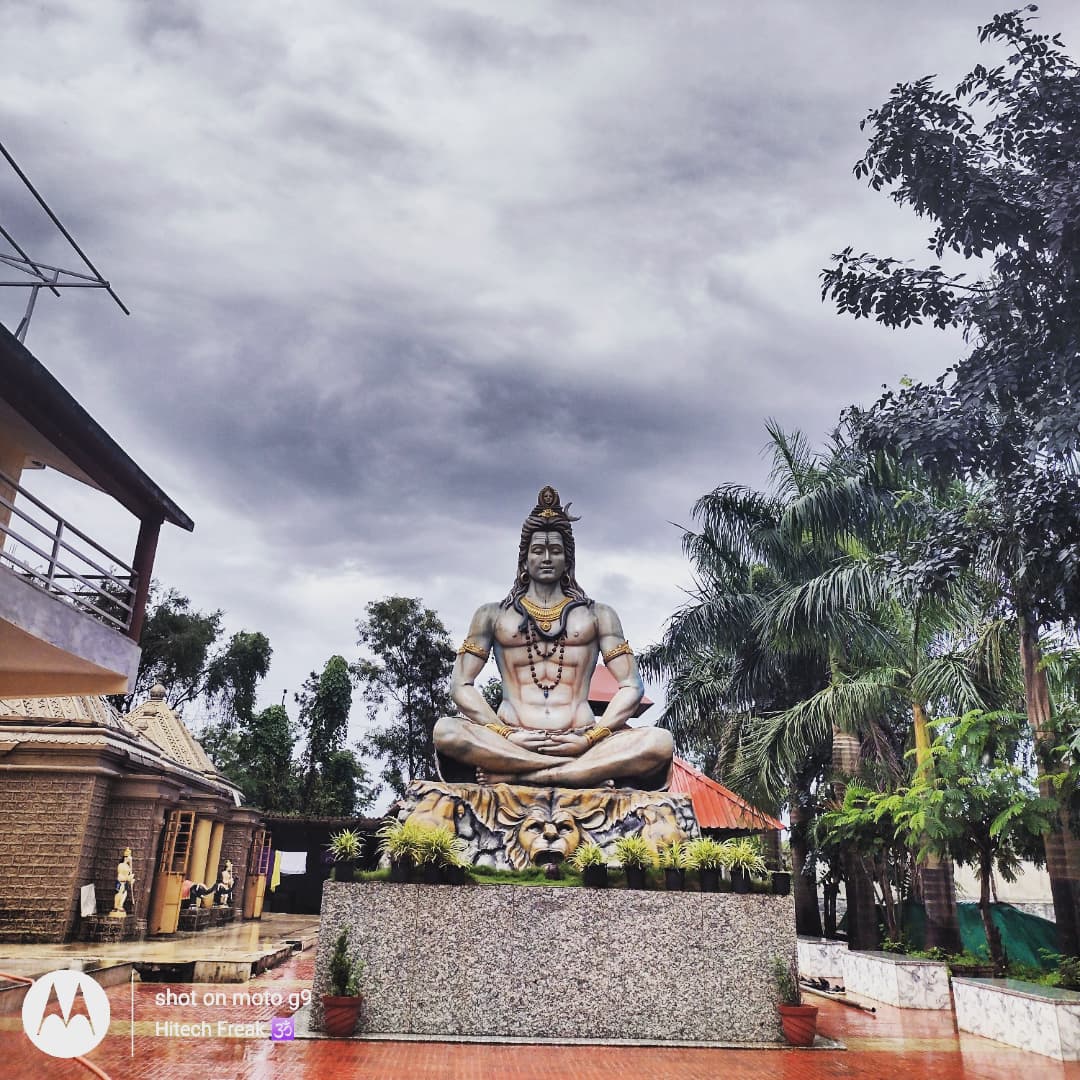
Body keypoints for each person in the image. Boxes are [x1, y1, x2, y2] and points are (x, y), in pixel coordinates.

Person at [434, 486, 673, 788]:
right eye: (538, 550)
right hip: (511, 739)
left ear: (567, 560)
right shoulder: (492, 615)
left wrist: (591, 738)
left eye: (555, 551)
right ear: (524, 559)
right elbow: (460, 685)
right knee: (446, 731)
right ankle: (579, 773)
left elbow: (631, 686)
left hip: (580, 739)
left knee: (660, 742)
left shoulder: (599, 615)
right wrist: (504, 733)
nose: (546, 558)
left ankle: (520, 774)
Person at [110, 848, 135, 917]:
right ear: (125, 858)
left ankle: (120, 905)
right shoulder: (121, 865)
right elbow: (120, 876)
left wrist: (131, 879)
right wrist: (128, 878)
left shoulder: (128, 866)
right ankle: (117, 906)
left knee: (124, 894)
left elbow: (129, 873)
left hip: (125, 883)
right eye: (128, 858)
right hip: (120, 882)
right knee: (119, 894)